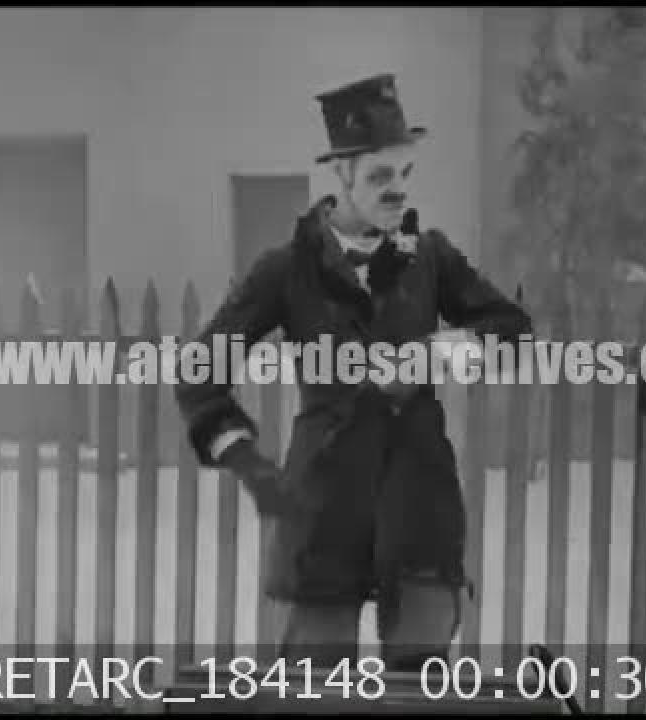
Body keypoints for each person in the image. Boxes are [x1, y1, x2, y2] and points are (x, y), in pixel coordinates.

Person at [174, 73, 532, 673]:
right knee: (311, 692)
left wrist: (439, 352)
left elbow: (511, 329)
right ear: (341, 176)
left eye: (404, 173)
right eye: (379, 176)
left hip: (419, 507)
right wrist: (247, 462)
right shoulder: (288, 269)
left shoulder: (430, 259)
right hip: (322, 510)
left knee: (419, 696)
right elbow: (199, 372)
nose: (398, 190)